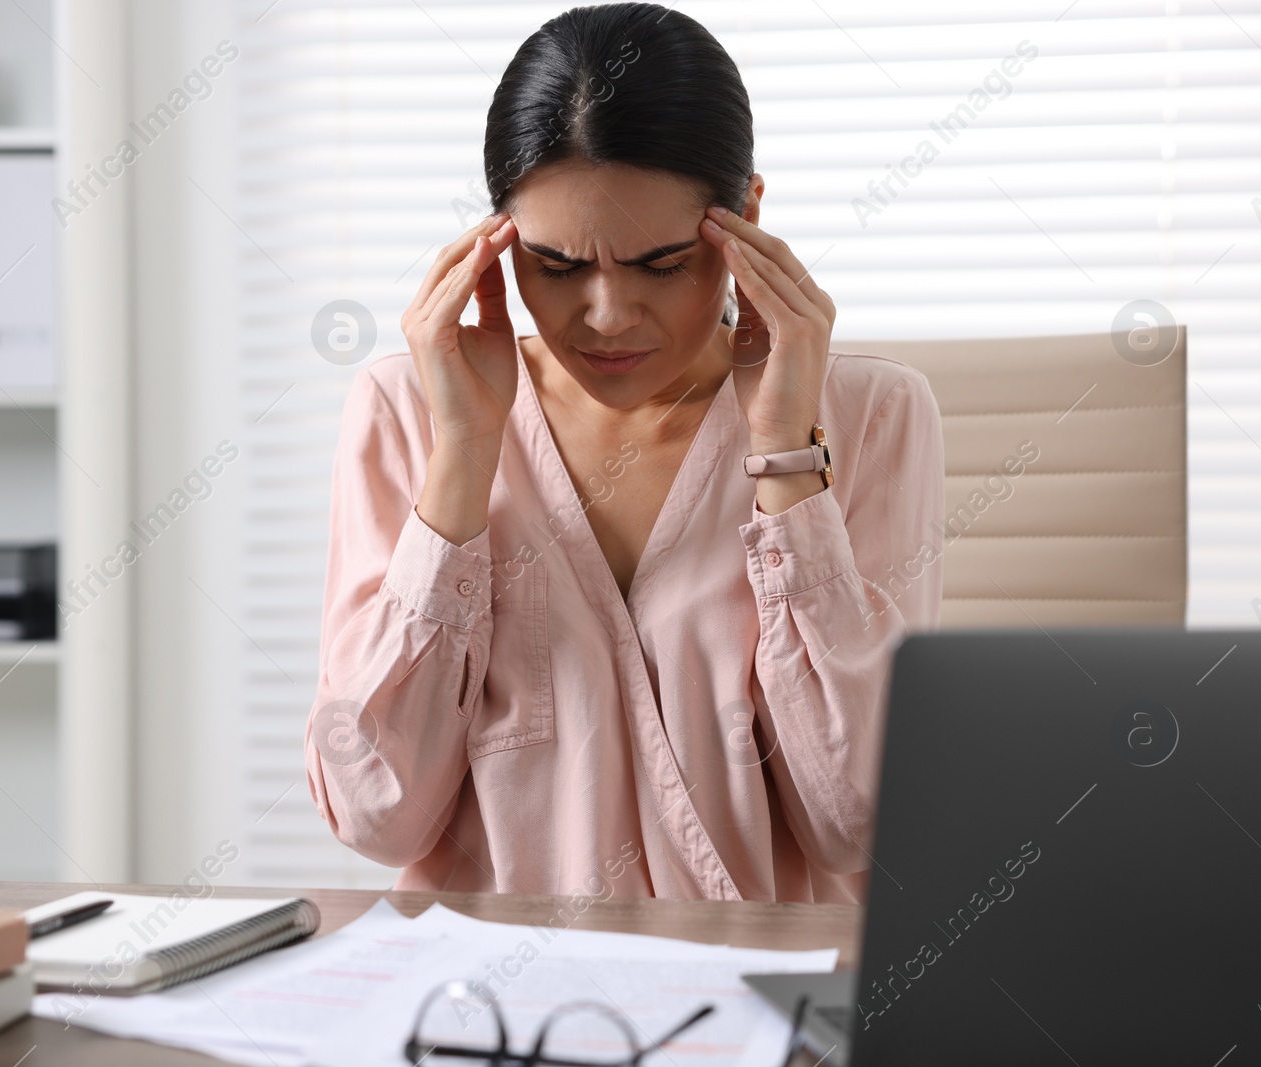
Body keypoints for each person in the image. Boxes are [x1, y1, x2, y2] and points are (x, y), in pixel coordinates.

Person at [305, 2, 944, 903]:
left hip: (762, 1008)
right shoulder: (406, 409)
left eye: (662, 262)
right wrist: (462, 459)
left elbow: (859, 820)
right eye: (558, 268)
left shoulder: (874, 413)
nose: (606, 316)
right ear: (497, 242)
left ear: (746, 219)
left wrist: (787, 465)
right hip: (494, 1007)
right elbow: (378, 814)